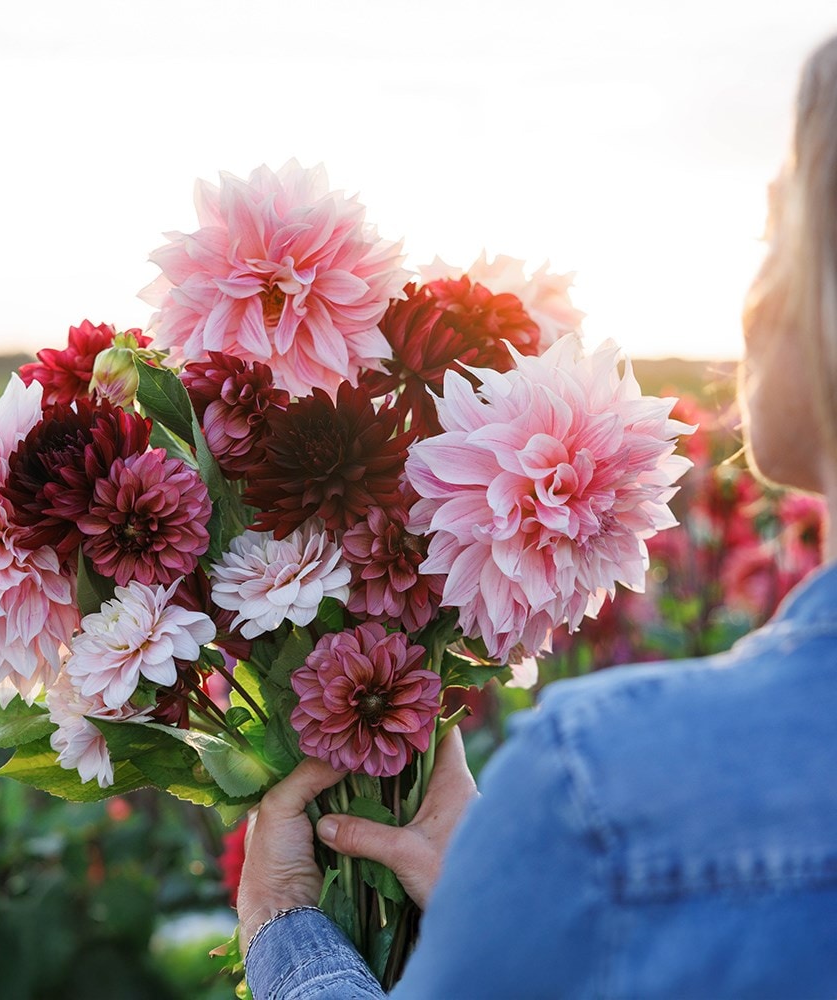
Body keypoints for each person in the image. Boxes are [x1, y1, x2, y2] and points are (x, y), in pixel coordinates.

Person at [236, 33, 837, 1000]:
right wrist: (505, 900)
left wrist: (286, 934)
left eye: (776, 233)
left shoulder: (603, 795)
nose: (753, 293)